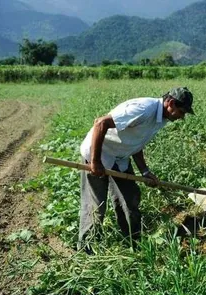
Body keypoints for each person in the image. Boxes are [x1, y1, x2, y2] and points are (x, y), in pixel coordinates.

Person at [78, 87, 194, 250]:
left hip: (120, 158)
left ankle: (133, 243)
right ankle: (85, 248)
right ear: (171, 103)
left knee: (130, 198)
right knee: (96, 206)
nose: (182, 117)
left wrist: (145, 171)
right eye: (181, 112)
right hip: (98, 154)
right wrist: (95, 162)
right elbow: (100, 123)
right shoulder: (144, 109)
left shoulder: (161, 119)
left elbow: (136, 142)